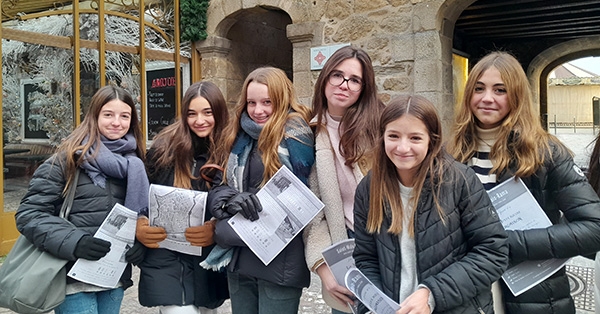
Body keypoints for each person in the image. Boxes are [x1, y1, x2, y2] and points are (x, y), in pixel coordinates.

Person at [449, 51, 600, 314]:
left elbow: (594, 228)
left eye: (500, 90)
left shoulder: (546, 153)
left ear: (517, 96)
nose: (487, 98)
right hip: (468, 293)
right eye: (479, 88)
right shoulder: (452, 154)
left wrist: (505, 242)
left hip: (536, 298)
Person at [353, 95, 509, 314]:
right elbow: (366, 258)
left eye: (415, 138)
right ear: (382, 137)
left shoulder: (459, 181)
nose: (402, 147)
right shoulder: (369, 188)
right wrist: (372, 305)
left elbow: (493, 251)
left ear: (431, 140)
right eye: (393, 136)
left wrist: (432, 293)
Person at [15, 85, 148, 314]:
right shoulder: (67, 160)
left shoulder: (135, 165)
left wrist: (140, 243)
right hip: (72, 278)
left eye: (124, 116)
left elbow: (140, 216)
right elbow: (29, 215)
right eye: (108, 114)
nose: (116, 122)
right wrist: (74, 241)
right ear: (94, 116)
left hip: (113, 278)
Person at [206, 66, 315, 314]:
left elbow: (307, 196)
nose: (258, 110)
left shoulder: (298, 135)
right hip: (239, 254)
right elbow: (217, 185)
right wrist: (231, 199)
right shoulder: (236, 134)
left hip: (280, 260)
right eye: (251, 102)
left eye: (267, 102)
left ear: (282, 99)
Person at [302, 45, 384, 313]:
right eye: (337, 75)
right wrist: (325, 270)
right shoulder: (307, 133)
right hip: (343, 250)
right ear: (325, 78)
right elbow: (313, 212)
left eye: (355, 80)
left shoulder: (382, 129)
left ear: (364, 88)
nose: (344, 85)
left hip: (384, 244)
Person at [136, 81, 230, 314]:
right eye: (192, 113)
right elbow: (141, 193)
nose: (200, 120)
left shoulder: (231, 150)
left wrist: (217, 228)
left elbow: (236, 200)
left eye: (207, 112)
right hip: (166, 255)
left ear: (219, 112)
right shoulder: (164, 148)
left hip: (207, 259)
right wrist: (139, 222)